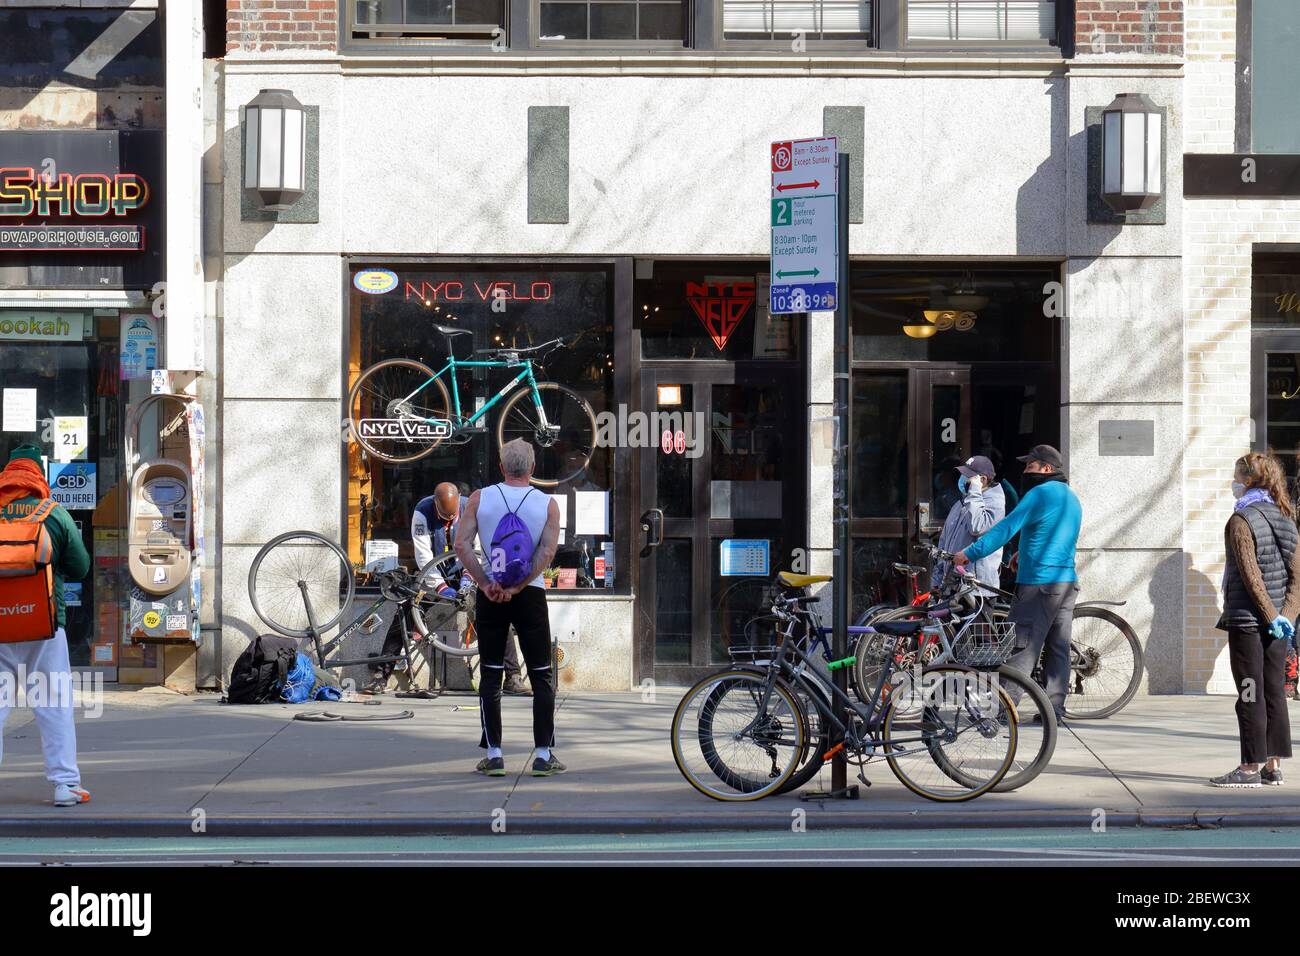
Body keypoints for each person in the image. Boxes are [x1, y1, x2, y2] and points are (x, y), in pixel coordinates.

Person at [456, 439, 563, 777]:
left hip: (491, 595)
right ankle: (543, 755)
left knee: (491, 673)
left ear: (501, 467)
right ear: (532, 468)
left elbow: (461, 545)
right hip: (530, 593)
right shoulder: (547, 504)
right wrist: (519, 584)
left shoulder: (479, 498)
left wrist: (487, 583)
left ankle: (495, 753)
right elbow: (546, 553)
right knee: (542, 674)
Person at [363, 481, 529, 695]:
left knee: (496, 613)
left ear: (459, 499)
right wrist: (440, 587)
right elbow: (423, 555)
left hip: (467, 572)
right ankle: (381, 675)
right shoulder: (422, 512)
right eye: (443, 517)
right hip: (434, 574)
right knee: (405, 611)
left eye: (452, 517)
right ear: (435, 504)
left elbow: (478, 548)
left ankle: (513, 677)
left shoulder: (472, 508)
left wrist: (470, 578)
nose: (448, 520)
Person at [954, 443, 1082, 722]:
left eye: (1030, 465)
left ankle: (1002, 709)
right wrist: (1022, 556)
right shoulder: (1070, 497)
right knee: (1058, 647)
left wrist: (969, 553)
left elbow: (1005, 528)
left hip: (1040, 584)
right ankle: (1054, 710)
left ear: (1047, 469)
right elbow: (1055, 535)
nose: (1025, 470)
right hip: (1066, 581)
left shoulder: (1039, 494)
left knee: (1021, 646)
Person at [0, 444, 91, 807]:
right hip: (45, 624)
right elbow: (81, 567)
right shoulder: (53, 513)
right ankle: (65, 785)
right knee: (53, 703)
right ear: (40, 475)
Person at [1209, 452, 1297, 788]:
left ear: (1248, 480)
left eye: (1235, 476)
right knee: (1274, 691)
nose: (1232, 483)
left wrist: (1273, 615)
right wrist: (1285, 616)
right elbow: (1297, 575)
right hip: (1279, 626)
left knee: (1249, 692)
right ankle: (1273, 767)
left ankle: (1248, 767)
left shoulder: (1241, 520)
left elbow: (1250, 577)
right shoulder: (1286, 517)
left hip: (1248, 621)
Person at [933, 455, 1005, 591]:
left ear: (982, 480)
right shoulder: (961, 503)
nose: (962, 479)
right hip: (952, 583)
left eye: (968, 476)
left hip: (977, 589)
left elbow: (977, 526)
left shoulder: (995, 503)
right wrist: (938, 578)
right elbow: (944, 543)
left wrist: (974, 491)